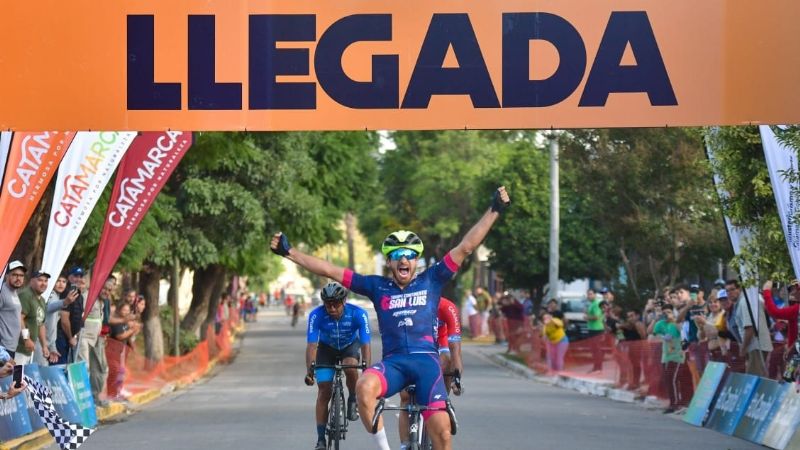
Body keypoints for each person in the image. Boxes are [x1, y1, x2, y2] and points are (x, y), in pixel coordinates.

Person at [271, 186, 510, 450]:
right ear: (389, 262)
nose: (403, 259)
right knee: (363, 387)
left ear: (417, 260)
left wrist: (494, 210)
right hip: (394, 364)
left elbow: (466, 247)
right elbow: (331, 270)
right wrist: (289, 252)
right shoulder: (377, 287)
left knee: (442, 435)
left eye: (409, 254)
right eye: (396, 255)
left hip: (426, 363)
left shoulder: (431, 279)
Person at [304, 282, 371, 450]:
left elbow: (365, 344)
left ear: (344, 301)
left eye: (336, 304)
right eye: (328, 305)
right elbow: (312, 345)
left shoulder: (358, 314)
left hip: (350, 346)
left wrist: (367, 370)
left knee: (351, 366)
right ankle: (321, 439)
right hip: (326, 348)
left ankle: (353, 398)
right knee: (324, 391)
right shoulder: (316, 315)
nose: (332, 308)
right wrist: (310, 371)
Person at [398, 296, 463, 450]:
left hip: (440, 343)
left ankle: (442, 401)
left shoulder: (447, 307)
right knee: (405, 397)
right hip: (413, 344)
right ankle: (405, 444)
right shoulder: (408, 303)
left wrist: (456, 377)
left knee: (446, 362)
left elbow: (455, 348)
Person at [15, 270, 51, 365]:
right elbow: (19, 318)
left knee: (23, 374)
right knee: (15, 374)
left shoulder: (42, 300)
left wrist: (44, 346)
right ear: (31, 281)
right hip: (18, 349)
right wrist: (26, 339)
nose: (43, 283)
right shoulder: (26, 295)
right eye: (40, 280)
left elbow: (41, 324)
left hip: (28, 349)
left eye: (45, 281)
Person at [56, 266, 86, 364]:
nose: (78, 279)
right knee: (60, 365)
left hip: (71, 338)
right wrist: (70, 338)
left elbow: (78, 317)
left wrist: (75, 335)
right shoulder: (67, 293)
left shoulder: (79, 295)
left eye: (80, 276)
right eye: (76, 276)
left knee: (67, 365)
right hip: (61, 336)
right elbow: (64, 320)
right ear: (69, 277)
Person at [0, 260, 26, 358]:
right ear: (7, 275)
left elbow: (19, 318)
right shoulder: (2, 292)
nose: (18, 278)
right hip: (3, 348)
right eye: (15, 275)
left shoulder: (14, 292)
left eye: (21, 275)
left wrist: (26, 337)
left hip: (11, 347)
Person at [585, 288, 605, 373]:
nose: (589, 296)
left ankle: (599, 368)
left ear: (595, 295)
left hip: (597, 329)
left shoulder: (596, 304)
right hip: (591, 329)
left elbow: (596, 317)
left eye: (590, 294)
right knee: (593, 349)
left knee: (597, 349)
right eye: (588, 294)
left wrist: (587, 317)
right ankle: (595, 367)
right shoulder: (591, 304)